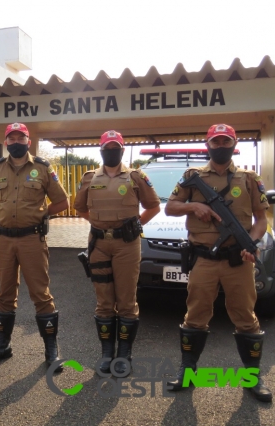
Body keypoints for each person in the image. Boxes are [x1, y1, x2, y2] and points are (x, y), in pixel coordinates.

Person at [165, 124, 272, 402]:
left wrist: (253, 243)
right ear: (208, 145)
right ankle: (187, 373)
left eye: (226, 141)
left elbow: (261, 220)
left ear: (234, 144)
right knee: (195, 316)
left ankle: (252, 378)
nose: (221, 145)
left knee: (246, 317)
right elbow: (170, 207)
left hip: (239, 260)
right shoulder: (193, 176)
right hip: (204, 259)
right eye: (216, 141)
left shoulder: (248, 178)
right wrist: (194, 206)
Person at [0, 122, 69, 370]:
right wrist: (0, 212)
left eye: (21, 138)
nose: (16, 142)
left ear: (28, 142)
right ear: (5, 142)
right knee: (5, 293)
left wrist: (41, 215)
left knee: (41, 293)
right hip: (4, 240)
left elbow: (62, 201)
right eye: (12, 138)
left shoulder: (42, 168)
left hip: (32, 239)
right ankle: (2, 345)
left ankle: (51, 350)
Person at [73, 130, 160, 375]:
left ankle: (124, 355)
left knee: (126, 300)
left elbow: (153, 206)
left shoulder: (135, 176)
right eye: (107, 147)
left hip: (127, 246)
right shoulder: (89, 178)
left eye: (115, 147)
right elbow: (79, 208)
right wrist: (99, 224)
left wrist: (136, 225)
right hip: (99, 245)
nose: (111, 151)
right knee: (103, 300)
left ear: (122, 150)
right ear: (101, 151)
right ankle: (106, 354)